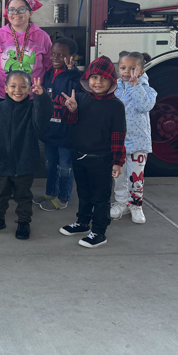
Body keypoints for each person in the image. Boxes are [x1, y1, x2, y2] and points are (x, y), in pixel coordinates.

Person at [58, 56, 127, 248]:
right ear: (87, 78)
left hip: (101, 160)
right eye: (94, 77)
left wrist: (117, 162)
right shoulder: (79, 98)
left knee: (101, 197)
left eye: (103, 79)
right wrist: (71, 110)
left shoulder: (116, 106)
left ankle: (98, 231)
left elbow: (118, 136)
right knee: (84, 192)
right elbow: (69, 123)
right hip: (79, 156)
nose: (98, 82)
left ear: (112, 82)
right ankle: (82, 222)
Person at [0, 72, 53, 240]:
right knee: (0, 194)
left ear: (29, 90)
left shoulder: (33, 109)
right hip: (1, 161)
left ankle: (23, 222)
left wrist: (41, 97)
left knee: (23, 195)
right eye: (13, 86)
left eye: (23, 87)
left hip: (25, 163)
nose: (17, 90)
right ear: (5, 88)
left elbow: (44, 117)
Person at [0, 0, 52, 105]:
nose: (16, 13)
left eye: (21, 9)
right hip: (1, 96)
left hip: (33, 97)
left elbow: (49, 66)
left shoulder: (43, 37)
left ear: (30, 13)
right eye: (11, 10)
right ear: (7, 13)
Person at [34, 38, 81, 211]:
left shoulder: (74, 77)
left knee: (65, 166)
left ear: (72, 57)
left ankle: (63, 198)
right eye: (53, 54)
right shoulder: (47, 75)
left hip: (66, 133)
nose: (55, 58)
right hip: (49, 131)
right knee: (50, 163)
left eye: (62, 55)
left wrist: (72, 73)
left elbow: (81, 91)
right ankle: (50, 192)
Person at [112, 51, 157, 224]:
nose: (126, 72)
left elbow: (145, 106)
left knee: (136, 177)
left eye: (132, 68)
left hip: (138, 142)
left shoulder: (147, 90)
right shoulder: (115, 88)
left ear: (141, 70)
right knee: (119, 176)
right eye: (123, 67)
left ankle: (136, 205)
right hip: (119, 142)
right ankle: (121, 203)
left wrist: (135, 86)